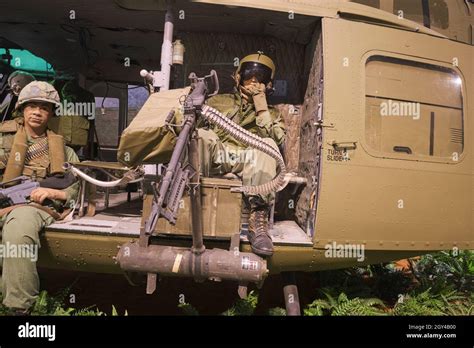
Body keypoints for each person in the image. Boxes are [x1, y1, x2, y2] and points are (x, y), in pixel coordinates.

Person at [0, 81, 80, 315]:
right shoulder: (3, 140)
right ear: (22, 109)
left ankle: (19, 310)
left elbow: (83, 189)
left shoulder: (63, 151)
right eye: (32, 106)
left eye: (44, 107)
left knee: (19, 229)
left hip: (35, 207)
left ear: (51, 113)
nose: (37, 112)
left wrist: (55, 193)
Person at [196, 52, 285, 256]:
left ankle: (257, 220)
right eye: (249, 74)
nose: (254, 80)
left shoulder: (272, 113)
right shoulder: (218, 101)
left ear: (268, 84)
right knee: (200, 135)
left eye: (260, 76)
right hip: (220, 155)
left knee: (269, 143)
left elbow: (278, 140)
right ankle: (193, 203)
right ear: (238, 77)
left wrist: (260, 106)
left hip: (249, 160)